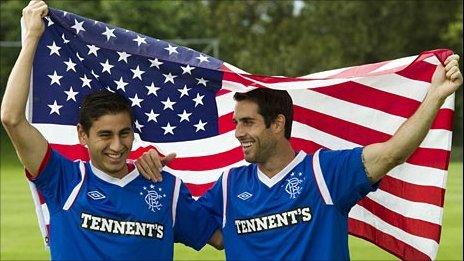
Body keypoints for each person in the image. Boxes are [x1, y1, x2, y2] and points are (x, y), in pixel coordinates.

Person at [136, 54, 462, 258]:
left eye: (247, 122)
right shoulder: (229, 185)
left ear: (278, 124)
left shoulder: (325, 173)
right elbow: (209, 233)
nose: (237, 133)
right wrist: (150, 180)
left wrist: (435, 96)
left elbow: (392, 153)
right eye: (237, 123)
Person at [0, 1, 222, 260]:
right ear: (83, 135)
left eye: (124, 133)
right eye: (105, 135)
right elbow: (11, 118)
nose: (117, 145)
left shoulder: (165, 187)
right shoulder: (64, 180)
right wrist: (31, 38)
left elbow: (220, 238)